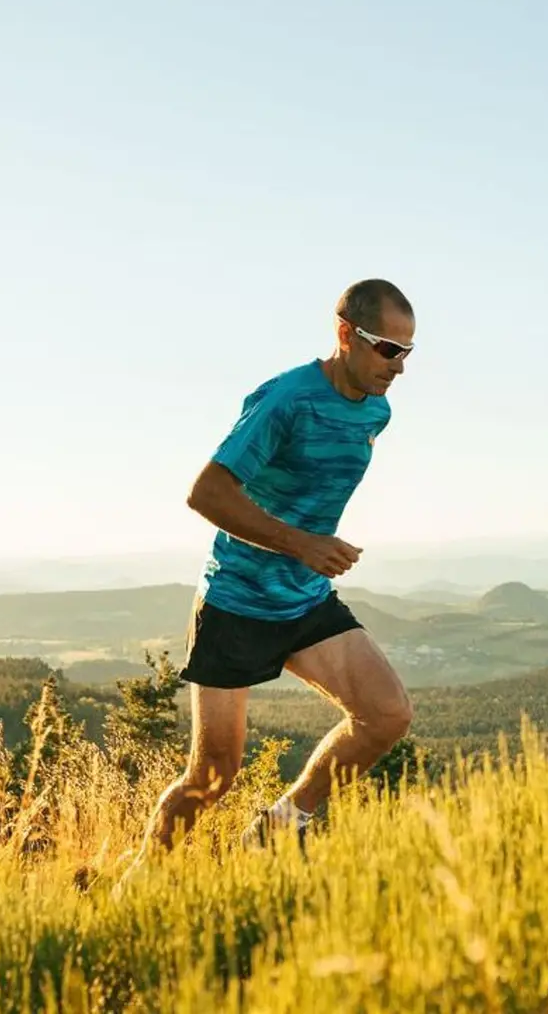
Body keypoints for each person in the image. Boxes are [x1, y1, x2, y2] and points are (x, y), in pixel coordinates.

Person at [135, 278, 416, 862]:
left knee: (387, 715)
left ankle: (281, 824)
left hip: (305, 600)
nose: (399, 367)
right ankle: (142, 879)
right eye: (388, 349)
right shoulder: (284, 400)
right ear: (346, 334)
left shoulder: (377, 411)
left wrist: (307, 556)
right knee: (213, 773)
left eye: (407, 352)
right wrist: (301, 544)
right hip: (238, 600)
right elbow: (206, 493)